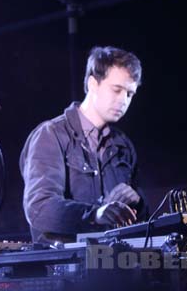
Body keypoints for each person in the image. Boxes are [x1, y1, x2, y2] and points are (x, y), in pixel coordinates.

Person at [20, 46, 148, 244]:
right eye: (116, 89)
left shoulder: (123, 146)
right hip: (62, 265)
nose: (123, 100)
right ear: (92, 83)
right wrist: (95, 215)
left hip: (113, 265)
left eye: (130, 94)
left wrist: (138, 204)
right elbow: (40, 208)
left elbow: (143, 220)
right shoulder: (51, 135)